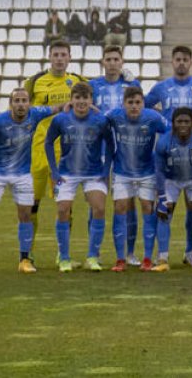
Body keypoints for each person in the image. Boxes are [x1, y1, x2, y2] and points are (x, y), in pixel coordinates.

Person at [0, 88, 73, 275]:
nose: (20, 104)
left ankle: (24, 260)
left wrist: (74, 103)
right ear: (11, 103)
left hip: (23, 174)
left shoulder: (35, 115)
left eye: (24, 100)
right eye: (16, 100)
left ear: (29, 103)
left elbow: (56, 108)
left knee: (26, 214)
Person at [145, 45, 192, 265]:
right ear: (172, 61)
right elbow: (146, 109)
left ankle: (190, 253)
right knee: (166, 208)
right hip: (170, 151)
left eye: (185, 59)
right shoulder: (160, 88)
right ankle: (163, 256)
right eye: (178, 59)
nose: (181, 62)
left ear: (191, 62)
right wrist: (164, 126)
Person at [24, 39, 88, 263]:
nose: (60, 59)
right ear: (49, 57)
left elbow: (96, 96)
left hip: (67, 154)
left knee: (65, 206)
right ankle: (27, 253)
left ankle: (63, 253)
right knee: (32, 203)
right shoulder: (34, 82)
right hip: (38, 151)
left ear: (70, 57)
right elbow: (21, 110)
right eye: (56, 55)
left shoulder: (78, 81)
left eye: (64, 55)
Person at [44, 82, 115, 273]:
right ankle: (64, 258)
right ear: (72, 99)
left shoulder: (100, 120)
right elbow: (48, 142)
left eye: (85, 98)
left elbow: (110, 144)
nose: (81, 102)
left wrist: (106, 169)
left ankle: (93, 256)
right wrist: (54, 170)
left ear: (91, 100)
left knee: (99, 208)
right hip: (66, 173)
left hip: (94, 173)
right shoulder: (60, 120)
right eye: (77, 98)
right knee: (62, 211)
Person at [105, 86, 170, 272]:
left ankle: (147, 258)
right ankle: (120, 259)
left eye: (138, 102)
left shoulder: (153, 117)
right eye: (130, 102)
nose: (134, 106)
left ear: (143, 103)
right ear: (124, 103)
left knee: (148, 208)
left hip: (147, 172)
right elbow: (97, 120)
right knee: (120, 208)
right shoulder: (114, 115)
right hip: (121, 172)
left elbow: (171, 130)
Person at [90, 45, 143, 264]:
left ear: (122, 62)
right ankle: (95, 252)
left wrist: (135, 82)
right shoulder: (92, 86)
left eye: (116, 59)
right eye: (108, 59)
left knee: (128, 203)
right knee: (96, 203)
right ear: (103, 62)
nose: (112, 62)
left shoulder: (131, 85)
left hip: (124, 150)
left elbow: (139, 109)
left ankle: (129, 253)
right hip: (98, 150)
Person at [153, 107, 192, 273]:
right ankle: (162, 259)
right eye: (179, 121)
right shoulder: (163, 142)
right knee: (164, 213)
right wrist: (161, 198)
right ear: (173, 123)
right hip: (171, 180)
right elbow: (158, 171)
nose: (183, 125)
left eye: (187, 121)